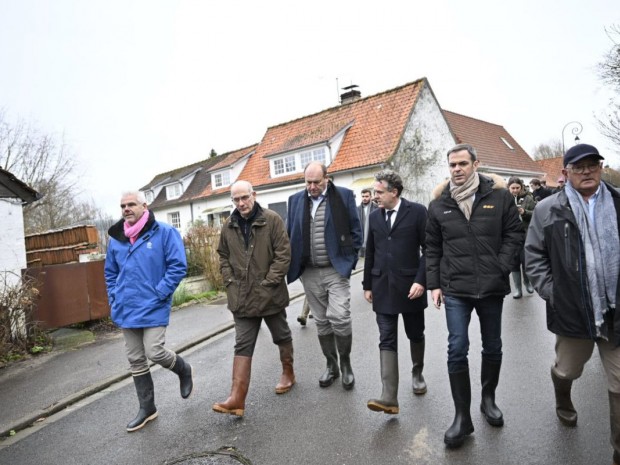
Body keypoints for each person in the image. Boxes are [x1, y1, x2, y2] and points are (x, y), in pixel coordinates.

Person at [525, 144, 620, 465]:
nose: (587, 172)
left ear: (600, 168)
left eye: (592, 166)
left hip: (615, 310)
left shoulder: (619, 203)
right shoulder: (548, 209)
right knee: (568, 369)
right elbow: (534, 256)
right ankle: (562, 398)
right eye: (578, 168)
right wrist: (554, 292)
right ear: (565, 173)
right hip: (572, 311)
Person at [425, 144, 523, 447]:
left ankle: (488, 399)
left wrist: (501, 266)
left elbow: (514, 234)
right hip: (455, 288)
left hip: (491, 287)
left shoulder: (499, 196)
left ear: (475, 164)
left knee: (492, 345)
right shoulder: (439, 204)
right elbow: (432, 247)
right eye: (452, 164)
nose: (457, 169)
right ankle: (461, 417)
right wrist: (435, 284)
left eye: (463, 164)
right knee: (457, 348)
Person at [104, 191, 192, 432]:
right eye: (123, 205)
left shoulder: (164, 232)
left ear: (145, 205)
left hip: (153, 304)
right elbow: (110, 273)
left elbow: (177, 266)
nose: (126, 208)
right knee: (135, 358)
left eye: (131, 204)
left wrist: (159, 292)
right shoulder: (116, 239)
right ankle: (147, 408)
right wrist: (114, 296)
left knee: (154, 351)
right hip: (126, 307)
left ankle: (183, 369)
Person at [213, 180, 294, 417]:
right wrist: (229, 280)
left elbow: (283, 255)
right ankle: (237, 399)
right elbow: (223, 256)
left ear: (253, 195)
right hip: (242, 298)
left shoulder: (272, 220)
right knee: (243, 344)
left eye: (244, 198)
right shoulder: (229, 226)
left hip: (270, 294)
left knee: (281, 335)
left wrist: (269, 282)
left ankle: (288, 372)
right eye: (236, 200)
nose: (241, 203)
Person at [287, 162, 362, 390]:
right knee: (321, 321)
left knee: (339, 315)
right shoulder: (295, 201)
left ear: (327, 179)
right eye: (308, 182)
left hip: (335, 269)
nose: (312, 187)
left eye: (316, 182)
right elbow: (290, 233)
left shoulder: (344, 197)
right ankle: (332, 365)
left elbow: (356, 232)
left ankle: (346, 363)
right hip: (309, 272)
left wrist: (349, 260)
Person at [363, 170, 428, 415]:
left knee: (415, 333)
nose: (375, 196)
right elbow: (371, 251)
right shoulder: (375, 216)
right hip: (382, 287)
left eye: (379, 192)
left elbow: (428, 249)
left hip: (411, 287)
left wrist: (421, 281)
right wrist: (367, 284)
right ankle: (389, 396)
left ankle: (417, 372)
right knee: (386, 338)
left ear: (394, 192)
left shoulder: (418, 212)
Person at [507, 177, 535, 299]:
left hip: (525, 234)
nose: (515, 190)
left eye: (517, 188)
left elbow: (535, 213)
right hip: (511, 236)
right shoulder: (505, 198)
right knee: (514, 262)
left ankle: (527, 282)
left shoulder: (528, 198)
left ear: (521, 187)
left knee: (525, 260)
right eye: (513, 188)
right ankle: (518, 288)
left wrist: (524, 212)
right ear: (508, 188)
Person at [357, 187, 378, 258]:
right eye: (363, 196)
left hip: (374, 239)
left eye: (366, 196)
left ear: (371, 197)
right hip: (362, 240)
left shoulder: (377, 207)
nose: (364, 198)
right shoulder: (357, 209)